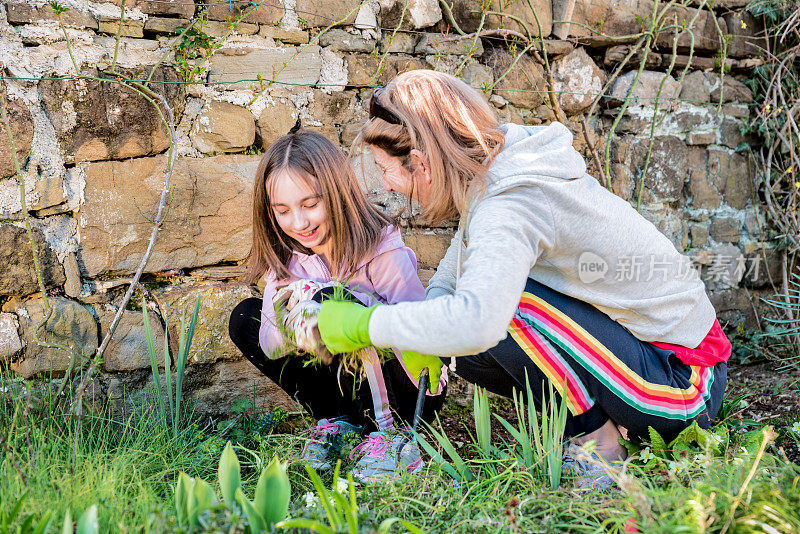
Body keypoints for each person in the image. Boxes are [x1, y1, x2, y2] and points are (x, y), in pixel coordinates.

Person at [314, 70, 732, 488]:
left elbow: (477, 319)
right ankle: (598, 424)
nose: (385, 184)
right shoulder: (497, 165)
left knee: (497, 310)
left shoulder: (513, 202)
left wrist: (364, 326)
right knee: (465, 350)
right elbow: (458, 262)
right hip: (642, 359)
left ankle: (601, 444)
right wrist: (423, 331)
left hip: (684, 383)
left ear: (421, 164)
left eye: (386, 170)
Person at [228, 129, 447, 482]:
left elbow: (418, 331)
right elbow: (270, 347)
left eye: (311, 205)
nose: (298, 223)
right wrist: (296, 317)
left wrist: (345, 307)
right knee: (247, 318)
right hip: (348, 384)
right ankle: (338, 421)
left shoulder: (379, 247)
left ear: (336, 192)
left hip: (408, 386)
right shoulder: (286, 258)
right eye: (282, 211)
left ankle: (389, 435)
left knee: (332, 302)